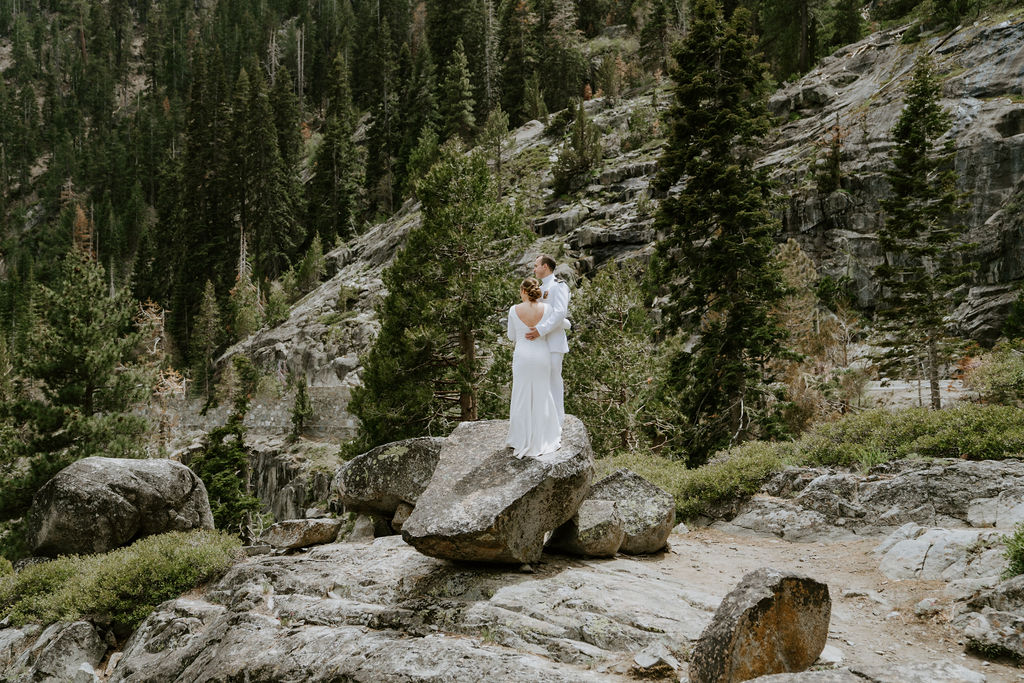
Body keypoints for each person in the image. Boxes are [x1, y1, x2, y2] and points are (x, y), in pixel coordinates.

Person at [506, 277, 561, 458]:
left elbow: (511, 336)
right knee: (541, 393)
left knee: (521, 394)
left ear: (523, 291)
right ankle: (542, 436)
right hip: (541, 354)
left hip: (522, 355)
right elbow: (553, 327)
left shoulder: (514, 310)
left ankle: (520, 438)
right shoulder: (548, 309)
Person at [525, 255, 570, 426]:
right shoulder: (539, 288)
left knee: (553, 378)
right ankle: (544, 418)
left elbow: (560, 313)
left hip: (554, 341)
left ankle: (558, 419)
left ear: (545, 266)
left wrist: (540, 330)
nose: (534, 269)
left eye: (536, 265)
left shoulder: (559, 286)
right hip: (539, 343)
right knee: (541, 379)